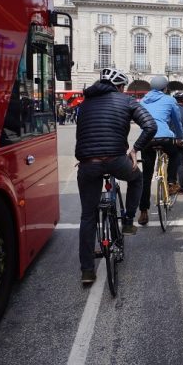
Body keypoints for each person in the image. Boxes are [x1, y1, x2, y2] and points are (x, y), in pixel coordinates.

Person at [75, 68, 157, 285]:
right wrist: (135, 149)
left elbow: (83, 132)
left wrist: (84, 156)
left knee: (88, 216)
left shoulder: (84, 105)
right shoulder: (126, 101)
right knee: (137, 177)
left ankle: (87, 271)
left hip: (88, 163)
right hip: (116, 159)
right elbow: (150, 126)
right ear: (120, 87)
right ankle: (129, 220)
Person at [138, 75, 183, 226]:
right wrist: (179, 137)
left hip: (147, 138)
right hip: (164, 137)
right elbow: (176, 121)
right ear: (165, 89)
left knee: (146, 176)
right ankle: (171, 182)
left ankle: (143, 212)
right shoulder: (170, 100)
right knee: (176, 154)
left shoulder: (143, 100)